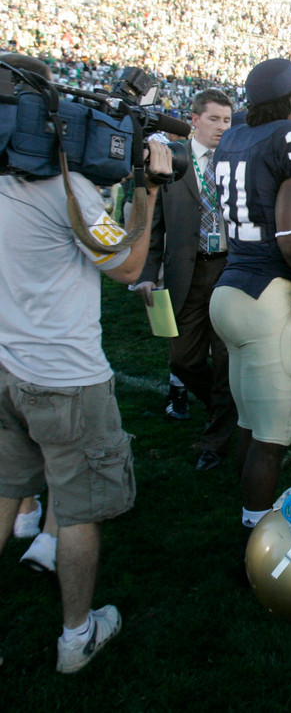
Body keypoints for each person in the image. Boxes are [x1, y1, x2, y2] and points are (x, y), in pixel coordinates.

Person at [0, 53, 172, 673]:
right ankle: (76, 636)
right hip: (66, 376)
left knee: (4, 487)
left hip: (7, 365)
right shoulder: (63, 188)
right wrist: (148, 197)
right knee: (78, 508)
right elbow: (126, 265)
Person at [209, 58, 291, 531]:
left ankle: (249, 514)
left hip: (229, 290)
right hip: (267, 300)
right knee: (274, 434)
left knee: (249, 423)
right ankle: (260, 541)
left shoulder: (235, 136)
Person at [135, 89, 238, 472]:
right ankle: (220, 407)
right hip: (187, 272)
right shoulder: (171, 160)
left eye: (227, 121)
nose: (222, 128)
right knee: (184, 358)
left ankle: (216, 439)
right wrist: (147, 274)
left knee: (226, 358)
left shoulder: (233, 162)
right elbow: (155, 227)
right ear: (194, 120)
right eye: (214, 119)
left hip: (228, 269)